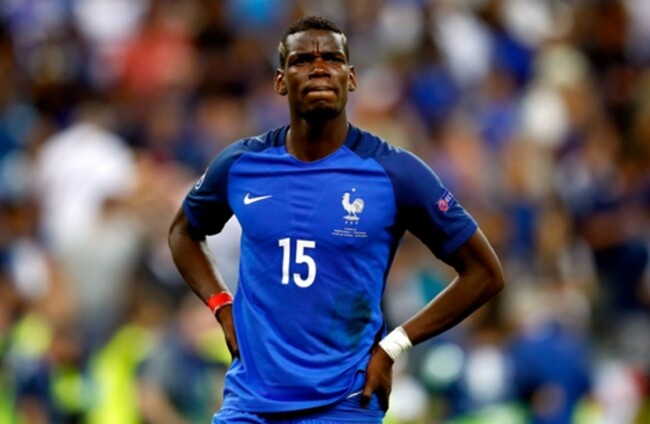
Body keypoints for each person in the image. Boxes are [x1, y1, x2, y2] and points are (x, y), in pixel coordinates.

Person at [168, 15, 504, 423]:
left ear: (351, 77)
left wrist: (394, 346)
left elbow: (484, 273)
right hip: (250, 403)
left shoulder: (394, 172)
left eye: (332, 58)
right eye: (302, 60)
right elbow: (183, 232)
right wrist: (223, 307)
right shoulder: (242, 164)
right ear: (280, 81)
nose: (319, 68)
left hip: (344, 404)